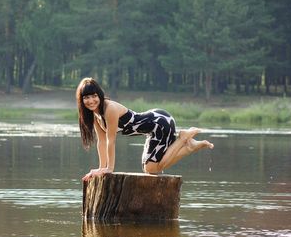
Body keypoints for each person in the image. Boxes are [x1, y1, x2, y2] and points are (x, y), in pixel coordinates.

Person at [76, 77, 214, 181]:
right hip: (151, 130)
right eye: (86, 97)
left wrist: (109, 169)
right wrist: (101, 168)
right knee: (149, 168)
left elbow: (110, 141)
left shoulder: (109, 109)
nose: (91, 100)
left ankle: (183, 138)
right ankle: (190, 146)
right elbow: (101, 141)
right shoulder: (95, 114)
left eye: (94, 96)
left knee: (152, 168)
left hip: (160, 123)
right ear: (81, 100)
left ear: (99, 94)